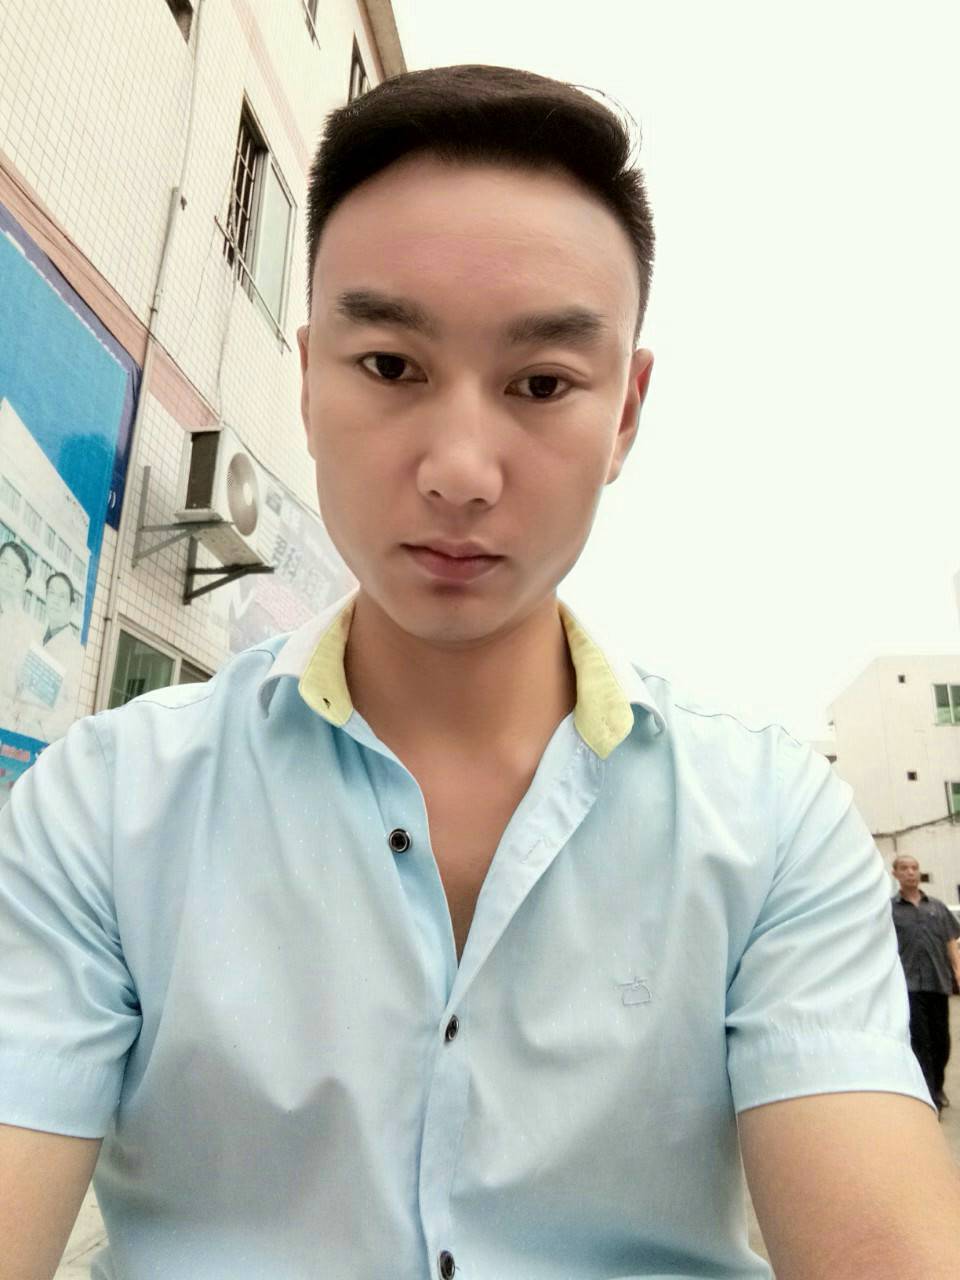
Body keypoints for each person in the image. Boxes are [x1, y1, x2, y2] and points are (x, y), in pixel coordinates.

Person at [1, 65, 959, 1280]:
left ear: (625, 413)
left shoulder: (769, 825)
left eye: (542, 383)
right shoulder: (106, 804)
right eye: (390, 365)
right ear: (308, 376)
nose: (459, 469)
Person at [891, 854, 960, 1114]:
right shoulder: (890, 910)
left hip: (938, 982)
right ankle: (930, 1096)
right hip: (908, 986)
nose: (910, 872)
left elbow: (951, 941)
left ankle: (938, 1086)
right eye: (904, 868)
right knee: (921, 1042)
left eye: (914, 868)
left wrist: (958, 970)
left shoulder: (937, 908)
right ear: (895, 874)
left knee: (942, 1042)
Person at [10, 570, 84, 743]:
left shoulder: (77, 652)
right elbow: (17, 682)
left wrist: (42, 731)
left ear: (71, 607)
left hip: (40, 741)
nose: (55, 601)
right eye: (51, 593)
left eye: (62, 596)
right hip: (14, 729)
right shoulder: (34, 637)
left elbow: (72, 707)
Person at [0, 538, 42, 725]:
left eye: (17, 570)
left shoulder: (32, 633)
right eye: (4, 564)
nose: (9, 573)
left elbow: (33, 696)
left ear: (26, 582)